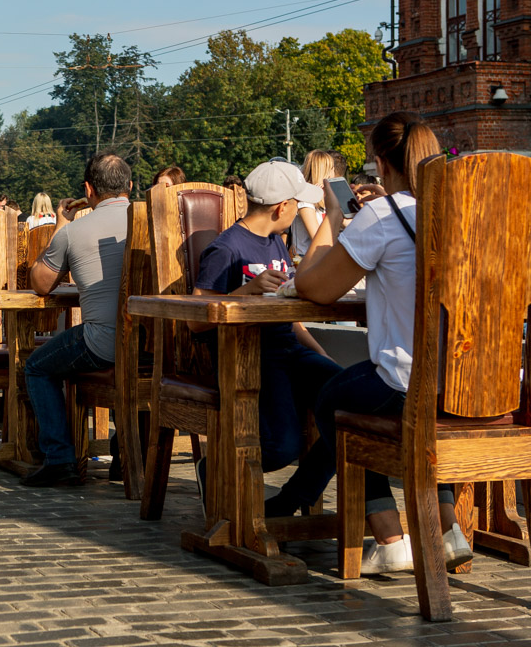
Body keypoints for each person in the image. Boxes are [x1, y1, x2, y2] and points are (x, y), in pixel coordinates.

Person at [292, 111, 472, 574]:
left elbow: (315, 288)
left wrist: (334, 216)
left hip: (410, 384)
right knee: (427, 411)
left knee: (333, 399)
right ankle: (448, 528)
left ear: (383, 164)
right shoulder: (466, 210)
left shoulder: (383, 214)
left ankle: (390, 538)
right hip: (479, 385)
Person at [186, 159, 341, 508]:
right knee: (282, 447)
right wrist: (247, 291)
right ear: (281, 207)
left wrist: (321, 354)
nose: (297, 211)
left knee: (351, 407)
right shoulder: (226, 248)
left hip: (291, 352)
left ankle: (290, 500)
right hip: (251, 358)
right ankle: (215, 469)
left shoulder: (276, 242)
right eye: (296, 204)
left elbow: (290, 317)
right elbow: (196, 320)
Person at [22, 153, 133, 487]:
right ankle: (126, 456)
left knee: (36, 367)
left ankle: (59, 459)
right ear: (129, 186)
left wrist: (62, 223)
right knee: (132, 360)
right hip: (154, 343)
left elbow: (40, 284)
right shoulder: (153, 222)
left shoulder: (73, 231)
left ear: (88, 189)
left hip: (104, 343)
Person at [289, 149, 336, 261]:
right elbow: (317, 238)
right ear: (327, 172)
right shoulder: (306, 201)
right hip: (307, 259)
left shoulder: (325, 199)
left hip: (320, 258)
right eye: (332, 168)